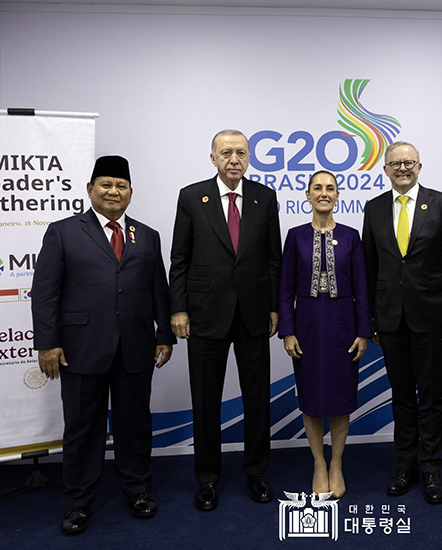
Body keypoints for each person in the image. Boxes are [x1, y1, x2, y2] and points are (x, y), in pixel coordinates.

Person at [31, 155, 175, 535]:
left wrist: (165, 334)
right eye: (106, 184)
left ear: (130, 193)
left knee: (134, 425)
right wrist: (47, 344)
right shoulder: (62, 231)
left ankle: (138, 491)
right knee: (82, 429)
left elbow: (158, 287)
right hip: (79, 348)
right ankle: (78, 503)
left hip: (135, 347)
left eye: (121, 186)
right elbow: (45, 293)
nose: (114, 191)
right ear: (90, 189)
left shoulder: (146, 235)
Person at [169, 129, 281, 511]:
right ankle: (207, 479)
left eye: (241, 153)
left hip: (252, 314)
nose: (234, 159)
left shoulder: (264, 197)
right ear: (213, 158)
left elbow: (272, 258)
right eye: (226, 153)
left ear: (249, 158)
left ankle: (257, 472)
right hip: (204, 314)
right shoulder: (191, 196)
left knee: (257, 400)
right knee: (205, 401)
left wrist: (273, 306)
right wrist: (179, 308)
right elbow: (179, 259)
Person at [362, 141, 442, 505]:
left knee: (431, 397)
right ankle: (405, 466)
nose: (402, 168)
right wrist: (371, 319)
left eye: (408, 163)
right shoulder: (373, 208)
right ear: (386, 170)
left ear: (419, 166)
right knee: (402, 397)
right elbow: (369, 268)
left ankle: (431, 468)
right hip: (390, 320)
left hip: (433, 319)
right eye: (395, 164)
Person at [279, 170, 371, 498]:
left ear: (337, 195)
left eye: (330, 188)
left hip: (343, 325)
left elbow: (362, 288)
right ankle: (318, 462)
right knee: (312, 396)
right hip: (306, 326)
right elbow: (285, 288)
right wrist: (287, 331)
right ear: (307, 194)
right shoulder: (295, 236)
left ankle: (337, 463)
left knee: (340, 396)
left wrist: (363, 331)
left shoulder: (350, 236)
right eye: (317, 188)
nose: (324, 193)